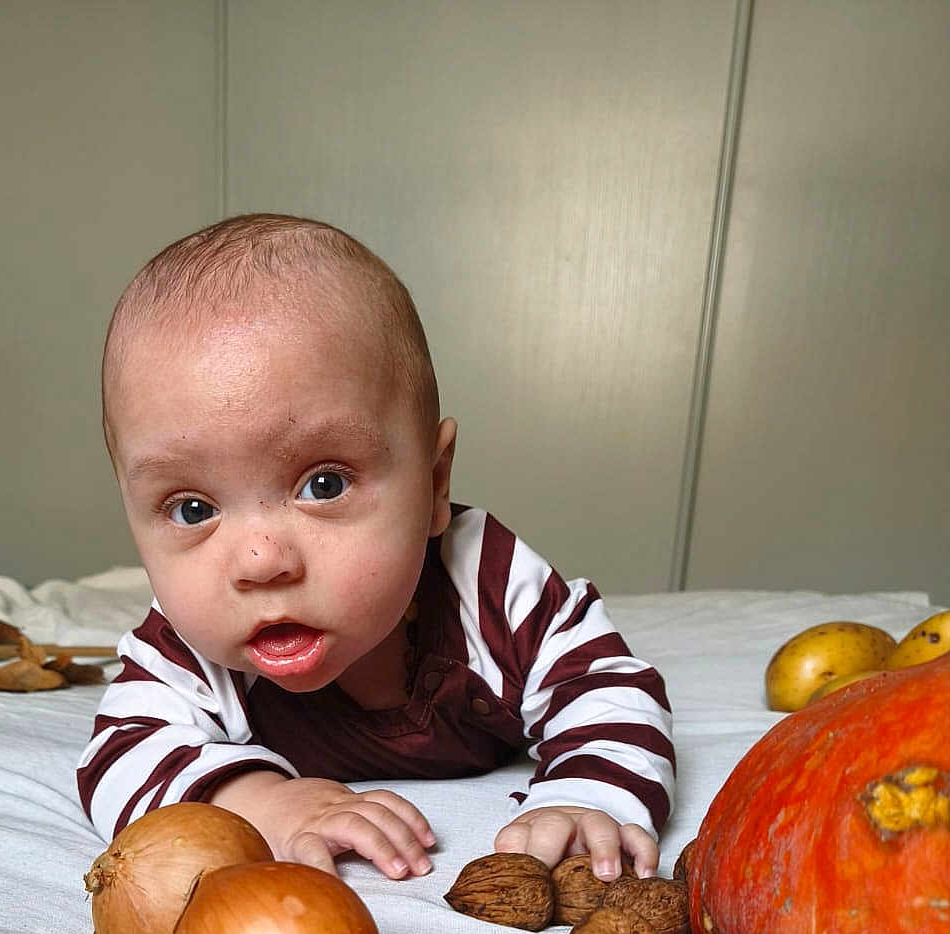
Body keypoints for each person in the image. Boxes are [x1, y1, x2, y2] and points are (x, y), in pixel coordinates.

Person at [78, 213, 674, 883]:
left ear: (433, 482)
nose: (261, 560)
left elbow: (606, 687)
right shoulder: (185, 639)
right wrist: (257, 802)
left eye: (323, 484)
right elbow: (118, 756)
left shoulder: (487, 580)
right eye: (193, 509)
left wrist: (584, 796)